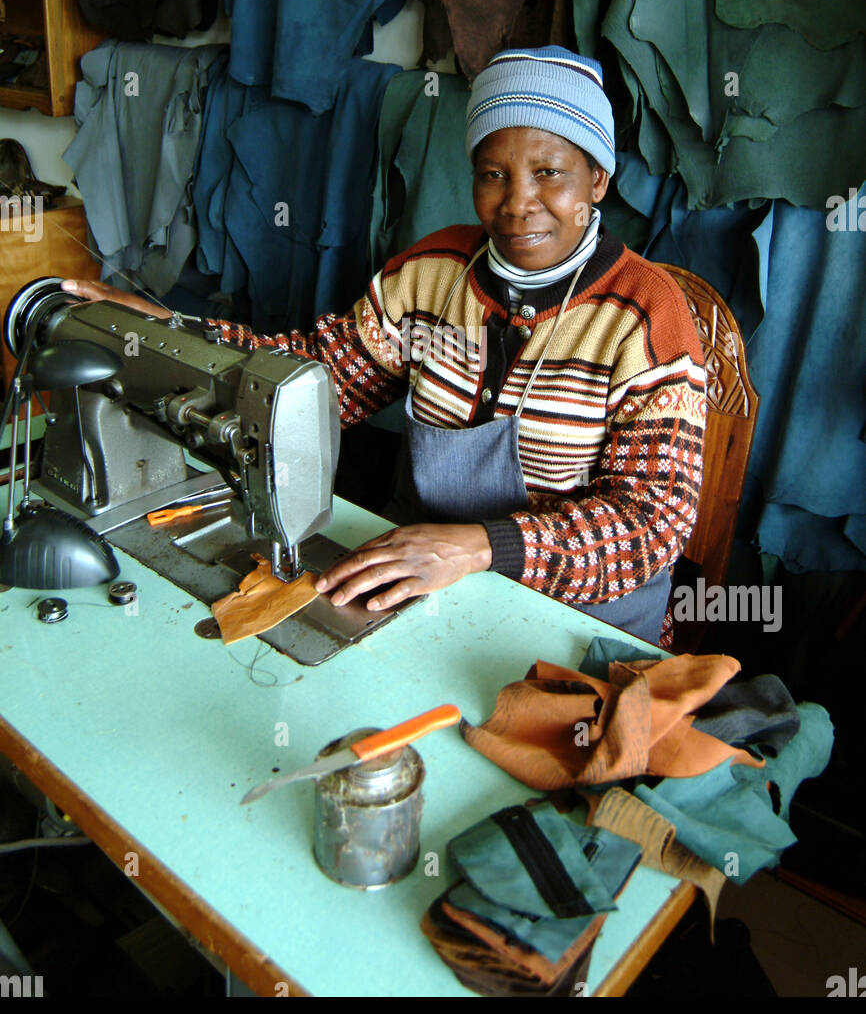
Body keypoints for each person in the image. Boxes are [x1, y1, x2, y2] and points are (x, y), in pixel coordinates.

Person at [64, 46, 706, 644]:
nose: (517, 203)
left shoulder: (645, 317)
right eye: (493, 174)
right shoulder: (433, 276)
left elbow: (652, 525)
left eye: (549, 173)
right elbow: (312, 378)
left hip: (579, 623)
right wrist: (164, 327)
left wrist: (477, 548)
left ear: (597, 179)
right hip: (435, 592)